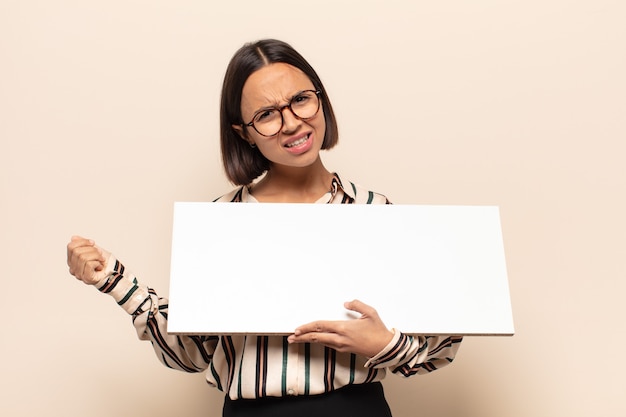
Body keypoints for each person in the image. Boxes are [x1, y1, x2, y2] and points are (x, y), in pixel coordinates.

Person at [66, 39, 462, 417]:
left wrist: (385, 343)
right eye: (267, 114)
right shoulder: (221, 221)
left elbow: (432, 354)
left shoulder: (377, 214)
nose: (292, 123)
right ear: (244, 133)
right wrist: (115, 281)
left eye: (301, 100)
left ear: (320, 99)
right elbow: (191, 353)